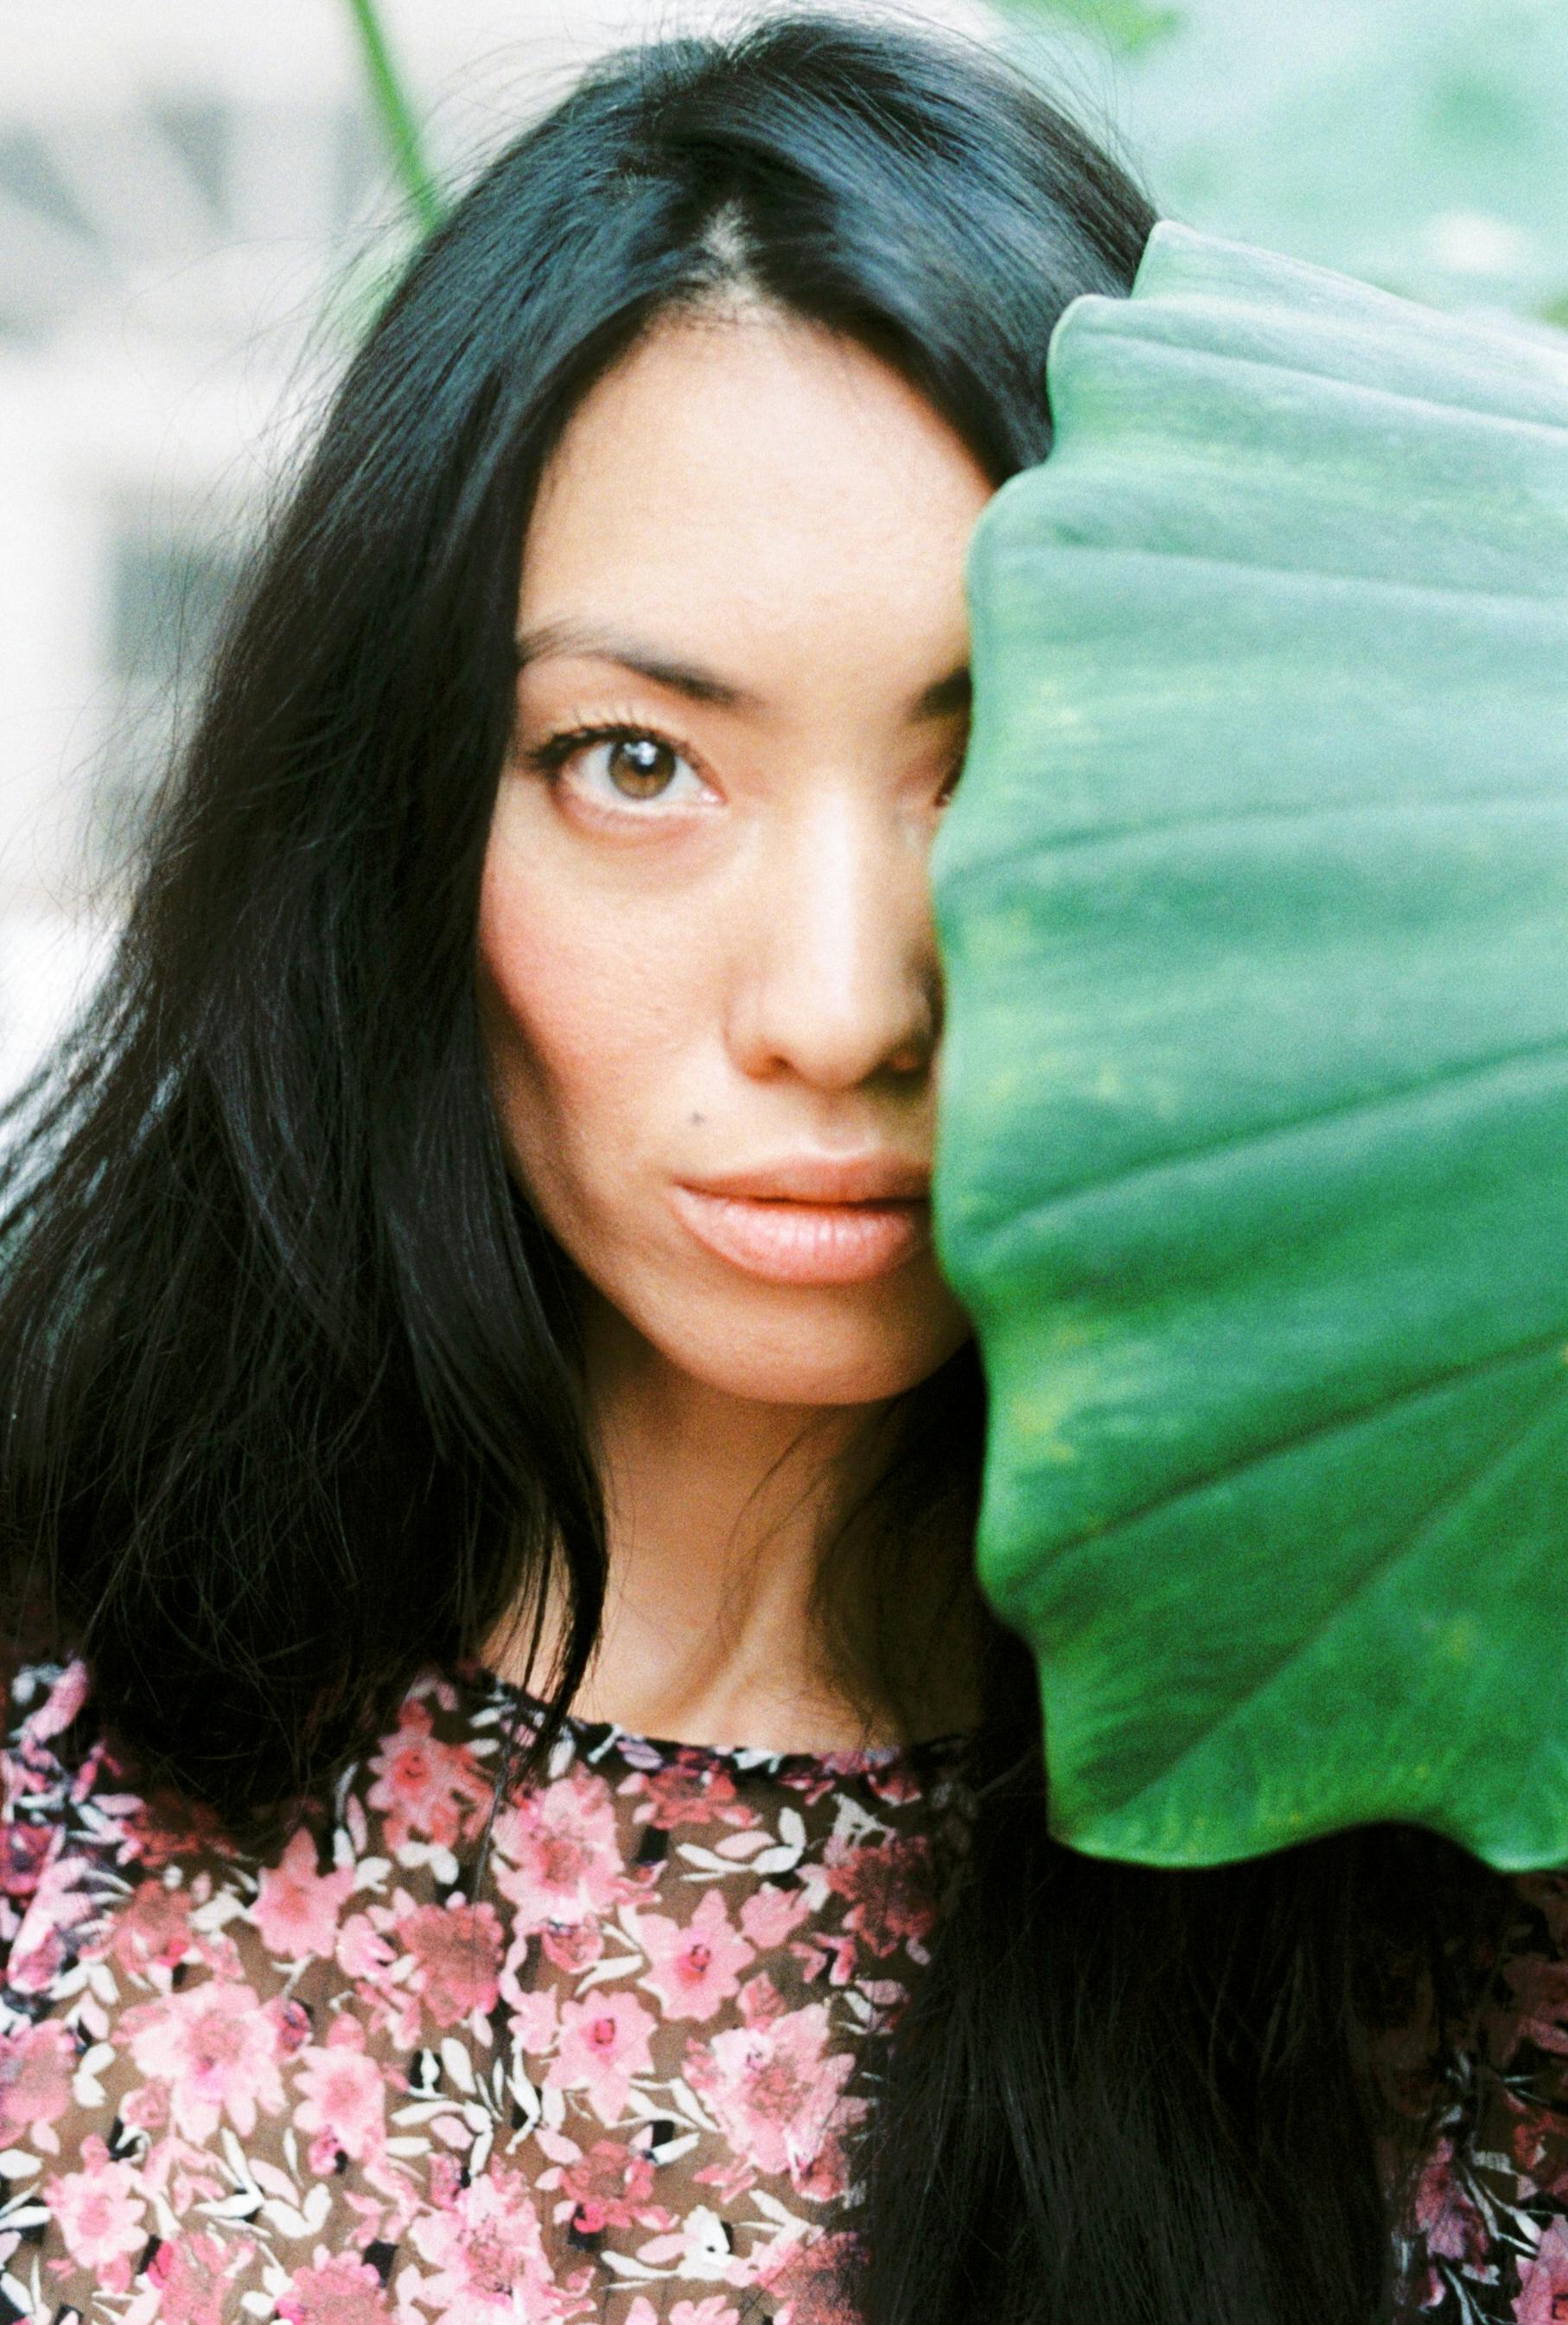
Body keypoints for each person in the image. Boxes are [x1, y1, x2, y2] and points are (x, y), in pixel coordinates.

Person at [0, 12, 1564, 2322]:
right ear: (399, 829)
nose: (838, 1003)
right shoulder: (51, 1855)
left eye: (994, 758)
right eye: (637, 760)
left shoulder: (1445, 1902)